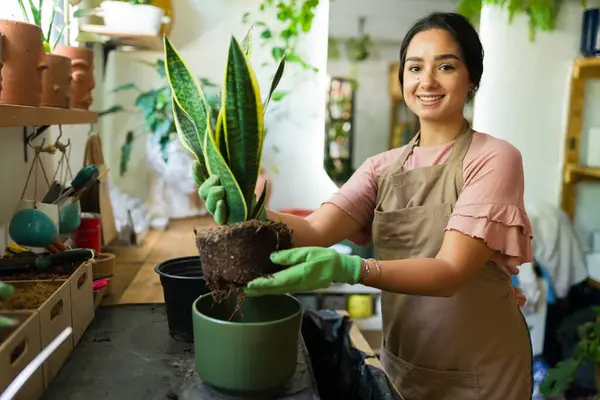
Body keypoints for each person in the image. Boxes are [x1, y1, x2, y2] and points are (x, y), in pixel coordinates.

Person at [199, 11, 534, 400]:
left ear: (471, 79)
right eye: (414, 68)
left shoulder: (495, 158)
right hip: (403, 364)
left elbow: (451, 271)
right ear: (403, 79)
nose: (427, 81)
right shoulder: (381, 168)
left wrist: (353, 268)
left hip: (483, 372)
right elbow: (316, 230)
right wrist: (246, 209)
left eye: (445, 66)